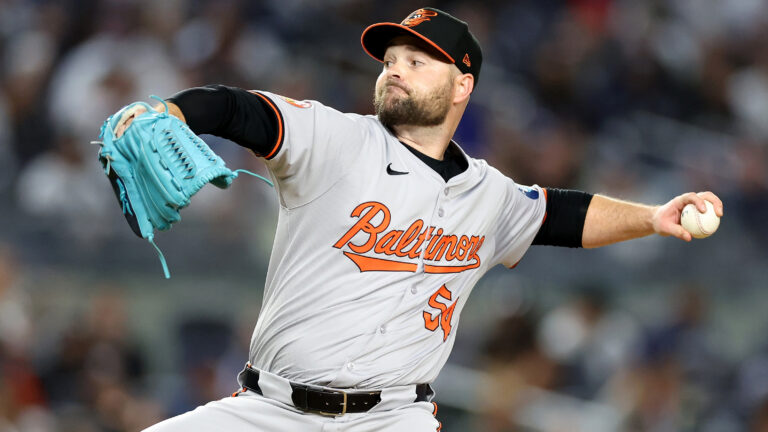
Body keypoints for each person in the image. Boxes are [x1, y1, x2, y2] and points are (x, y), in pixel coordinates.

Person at [118, 7, 723, 431]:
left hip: (393, 419)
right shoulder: (335, 139)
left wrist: (652, 216)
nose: (396, 68)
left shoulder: (488, 193)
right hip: (269, 410)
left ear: (463, 85)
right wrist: (169, 108)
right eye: (392, 59)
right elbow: (239, 109)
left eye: (418, 60)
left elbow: (561, 215)